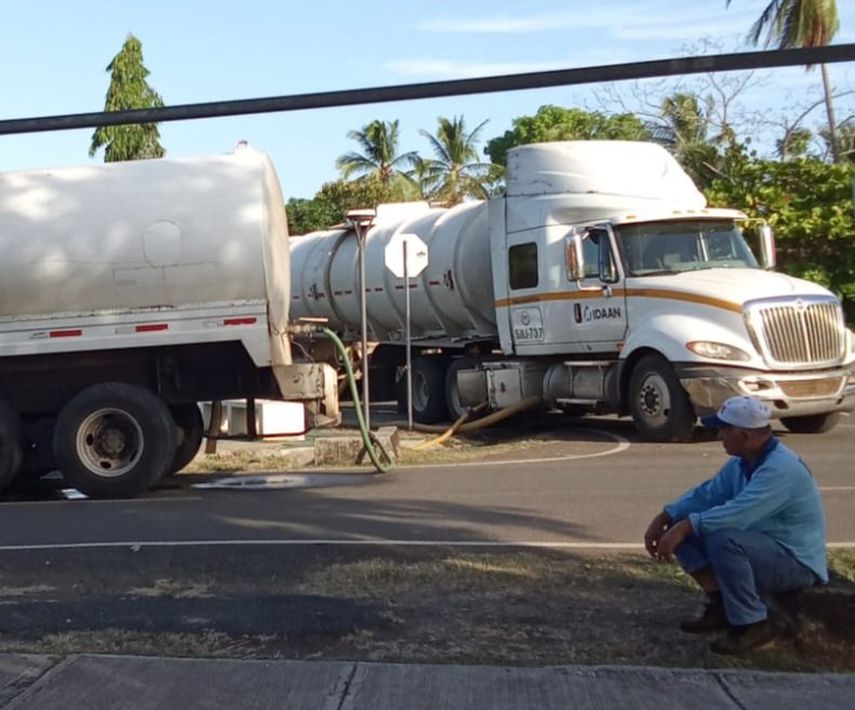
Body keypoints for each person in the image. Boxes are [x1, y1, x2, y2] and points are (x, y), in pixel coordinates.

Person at [643, 395, 827, 655]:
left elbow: (739, 514)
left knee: (722, 539)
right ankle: (720, 603)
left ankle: (754, 622)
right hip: (764, 548)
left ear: (747, 436)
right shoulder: (742, 462)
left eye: (725, 429)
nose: (720, 436)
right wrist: (667, 516)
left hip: (796, 562)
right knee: (688, 527)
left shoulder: (780, 470)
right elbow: (708, 494)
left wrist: (684, 526)